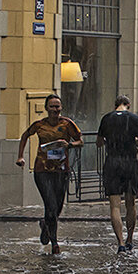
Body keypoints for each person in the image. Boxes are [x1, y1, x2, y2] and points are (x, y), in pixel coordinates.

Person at [16, 93, 83, 254]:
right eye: (52, 106)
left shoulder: (67, 124)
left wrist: (69, 145)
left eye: (57, 106)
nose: (55, 109)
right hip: (42, 170)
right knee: (50, 204)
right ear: (46, 108)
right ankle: (54, 243)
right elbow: (25, 135)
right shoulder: (39, 125)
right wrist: (20, 156)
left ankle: (45, 225)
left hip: (61, 170)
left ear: (61, 108)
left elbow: (80, 141)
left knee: (58, 206)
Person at [96, 95, 138, 253]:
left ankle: (120, 242)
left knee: (115, 206)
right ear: (128, 105)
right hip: (129, 163)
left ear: (115, 105)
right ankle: (130, 238)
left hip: (112, 162)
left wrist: (109, 140)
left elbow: (99, 143)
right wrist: (133, 140)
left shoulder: (106, 119)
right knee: (130, 203)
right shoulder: (134, 119)